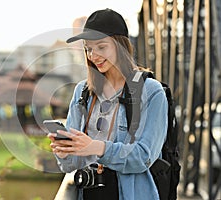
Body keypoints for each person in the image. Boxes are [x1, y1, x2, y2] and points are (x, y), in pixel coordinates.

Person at [48, 8, 168, 200]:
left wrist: (97, 147)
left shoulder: (151, 91)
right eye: (88, 48)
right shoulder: (83, 92)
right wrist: (64, 152)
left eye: (101, 47)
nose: (93, 55)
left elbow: (143, 157)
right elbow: (70, 165)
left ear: (121, 46)